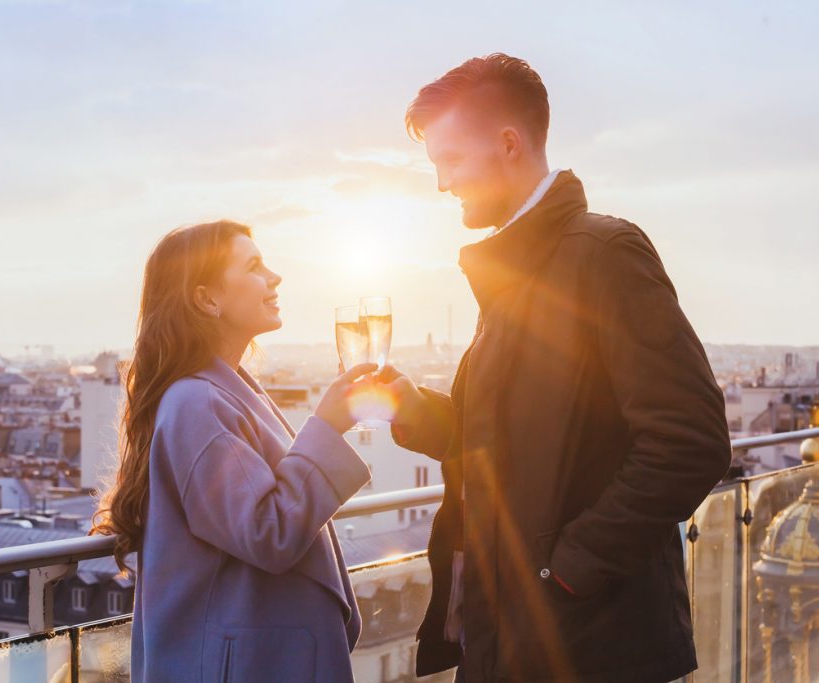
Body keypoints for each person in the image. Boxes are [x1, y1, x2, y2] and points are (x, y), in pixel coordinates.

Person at [378, 54, 732, 682]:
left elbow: (690, 443)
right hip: (519, 636)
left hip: (588, 645)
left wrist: (565, 571)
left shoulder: (603, 254)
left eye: (451, 160)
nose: (442, 183)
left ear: (509, 144)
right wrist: (414, 409)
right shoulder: (519, 271)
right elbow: (515, 440)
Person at [91, 220, 375, 682]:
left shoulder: (217, 392)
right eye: (255, 266)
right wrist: (327, 426)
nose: (275, 277)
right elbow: (266, 532)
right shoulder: (199, 401)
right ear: (208, 299)